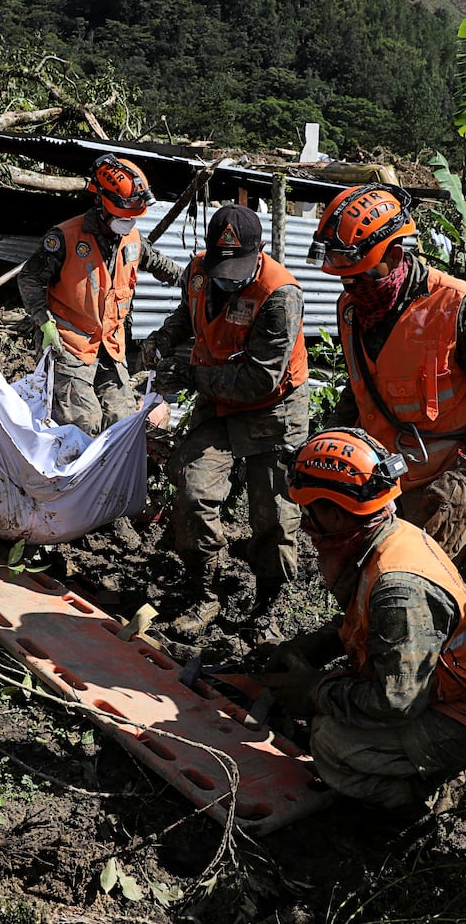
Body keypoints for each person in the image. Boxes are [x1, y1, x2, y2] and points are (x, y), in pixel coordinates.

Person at [262, 428, 466, 808]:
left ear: (335, 514)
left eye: (308, 511)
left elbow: (397, 700)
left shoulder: (398, 589)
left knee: (330, 740)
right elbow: (379, 628)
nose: (305, 524)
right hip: (457, 696)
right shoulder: (393, 535)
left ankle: (423, 799)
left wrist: (315, 691)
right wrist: (319, 645)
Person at [312, 184, 466, 560]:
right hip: (374, 482)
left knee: (421, 584)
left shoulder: (458, 307)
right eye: (344, 278)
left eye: (361, 275)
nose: (351, 286)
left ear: (394, 255)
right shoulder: (351, 308)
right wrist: (326, 446)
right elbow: (360, 385)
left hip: (441, 486)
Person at [141, 204, 309, 637]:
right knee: (193, 492)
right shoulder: (200, 272)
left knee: (274, 515)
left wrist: (191, 376)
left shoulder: (280, 296)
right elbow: (188, 313)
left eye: (236, 271)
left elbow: (259, 379)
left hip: (274, 409)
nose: (227, 278)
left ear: (260, 252)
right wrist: (164, 338)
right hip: (218, 401)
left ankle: (268, 605)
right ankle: (205, 593)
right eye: (221, 268)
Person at [17, 154, 182, 435]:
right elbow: (29, 277)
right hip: (70, 343)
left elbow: (162, 266)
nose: (128, 222)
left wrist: (196, 281)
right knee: (84, 425)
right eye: (123, 216)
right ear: (102, 203)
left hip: (110, 346)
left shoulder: (132, 239)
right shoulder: (66, 237)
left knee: (123, 423)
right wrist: (43, 321)